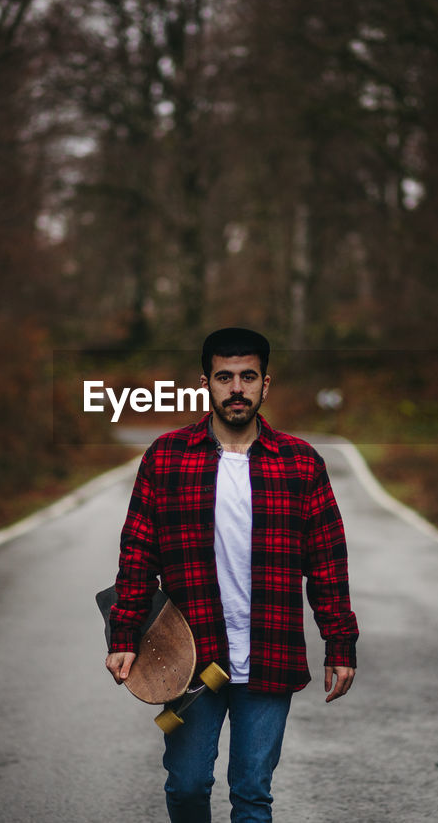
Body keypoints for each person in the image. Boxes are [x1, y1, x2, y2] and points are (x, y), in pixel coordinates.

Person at [104, 326, 358, 823]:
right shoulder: (167, 457)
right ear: (207, 383)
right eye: (225, 377)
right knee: (187, 786)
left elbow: (328, 564)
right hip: (190, 662)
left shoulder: (301, 464)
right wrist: (124, 633)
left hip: (270, 655)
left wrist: (340, 645)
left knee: (252, 797)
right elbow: (137, 553)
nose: (236, 388)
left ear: (266, 384)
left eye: (248, 376)